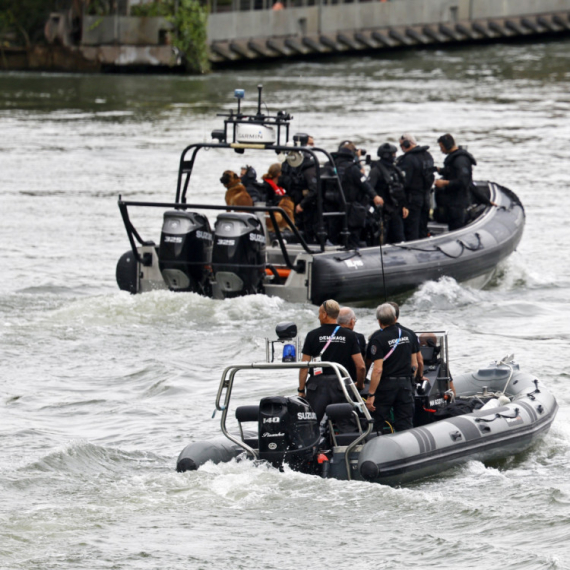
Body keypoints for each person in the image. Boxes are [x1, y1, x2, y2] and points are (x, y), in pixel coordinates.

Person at [298, 299, 366, 423]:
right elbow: (361, 366)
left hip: (317, 386)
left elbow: (304, 366)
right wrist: (360, 385)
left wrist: (301, 390)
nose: (318, 317)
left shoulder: (312, 335)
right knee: (345, 423)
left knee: (313, 424)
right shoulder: (350, 335)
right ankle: (349, 441)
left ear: (324, 314)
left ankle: (314, 442)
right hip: (341, 386)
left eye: (319, 313)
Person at [365, 303, 418, 434]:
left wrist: (371, 394)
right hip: (405, 384)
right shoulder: (408, 335)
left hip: (386, 386)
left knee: (378, 421)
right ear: (395, 318)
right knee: (405, 423)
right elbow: (415, 364)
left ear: (379, 321)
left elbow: (377, 369)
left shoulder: (377, 339)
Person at [434, 133, 496, 230]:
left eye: (441, 147)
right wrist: (439, 170)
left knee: (456, 228)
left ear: (447, 146)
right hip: (451, 203)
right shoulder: (454, 159)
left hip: (458, 204)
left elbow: (464, 182)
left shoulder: (460, 161)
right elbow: (452, 173)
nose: (441, 150)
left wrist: (445, 183)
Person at [332, 141, 383, 247]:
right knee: (353, 235)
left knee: (338, 235)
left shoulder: (333, 166)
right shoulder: (352, 168)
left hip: (335, 207)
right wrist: (375, 196)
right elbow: (364, 183)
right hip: (352, 208)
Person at [396, 134, 435, 241]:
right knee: (423, 227)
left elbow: (404, 182)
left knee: (411, 229)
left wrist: (403, 203)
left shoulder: (408, 159)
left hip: (412, 199)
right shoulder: (427, 155)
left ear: (406, 144)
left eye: (401, 145)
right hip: (426, 197)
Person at [368, 143, 409, 244]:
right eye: (393, 154)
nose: (395, 156)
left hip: (396, 209)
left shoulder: (395, 170)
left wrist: (404, 205)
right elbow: (369, 189)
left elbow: (401, 188)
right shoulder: (376, 171)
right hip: (383, 212)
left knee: (399, 237)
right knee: (382, 239)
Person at [262, 163, 295, 233]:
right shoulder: (266, 186)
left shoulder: (280, 185)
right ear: (279, 174)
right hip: (272, 213)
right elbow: (266, 200)